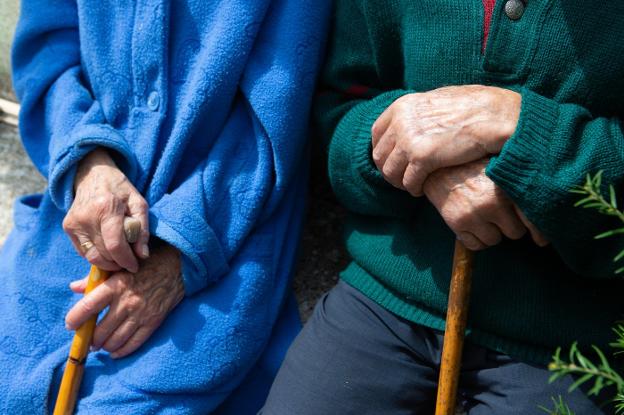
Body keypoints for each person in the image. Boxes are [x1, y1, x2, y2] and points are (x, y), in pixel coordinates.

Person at [261, 1, 624, 413]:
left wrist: (524, 127)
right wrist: (418, 159)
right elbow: (337, 111)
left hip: (574, 347)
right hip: (386, 302)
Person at [0, 0, 330, 413]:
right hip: (72, 212)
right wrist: (89, 164)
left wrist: (178, 253)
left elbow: (268, 123)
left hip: (222, 233)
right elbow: (46, 55)